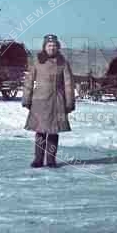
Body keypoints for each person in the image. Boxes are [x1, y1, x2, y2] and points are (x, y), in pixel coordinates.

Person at [22, 34, 75, 168]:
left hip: (56, 101)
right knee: (40, 131)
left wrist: (69, 102)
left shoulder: (63, 62)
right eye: (49, 45)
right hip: (39, 101)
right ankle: (38, 159)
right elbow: (29, 81)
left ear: (58, 47)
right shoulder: (37, 61)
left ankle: (51, 160)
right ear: (44, 47)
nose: (52, 48)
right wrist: (26, 98)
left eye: (54, 46)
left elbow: (68, 84)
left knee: (53, 131)